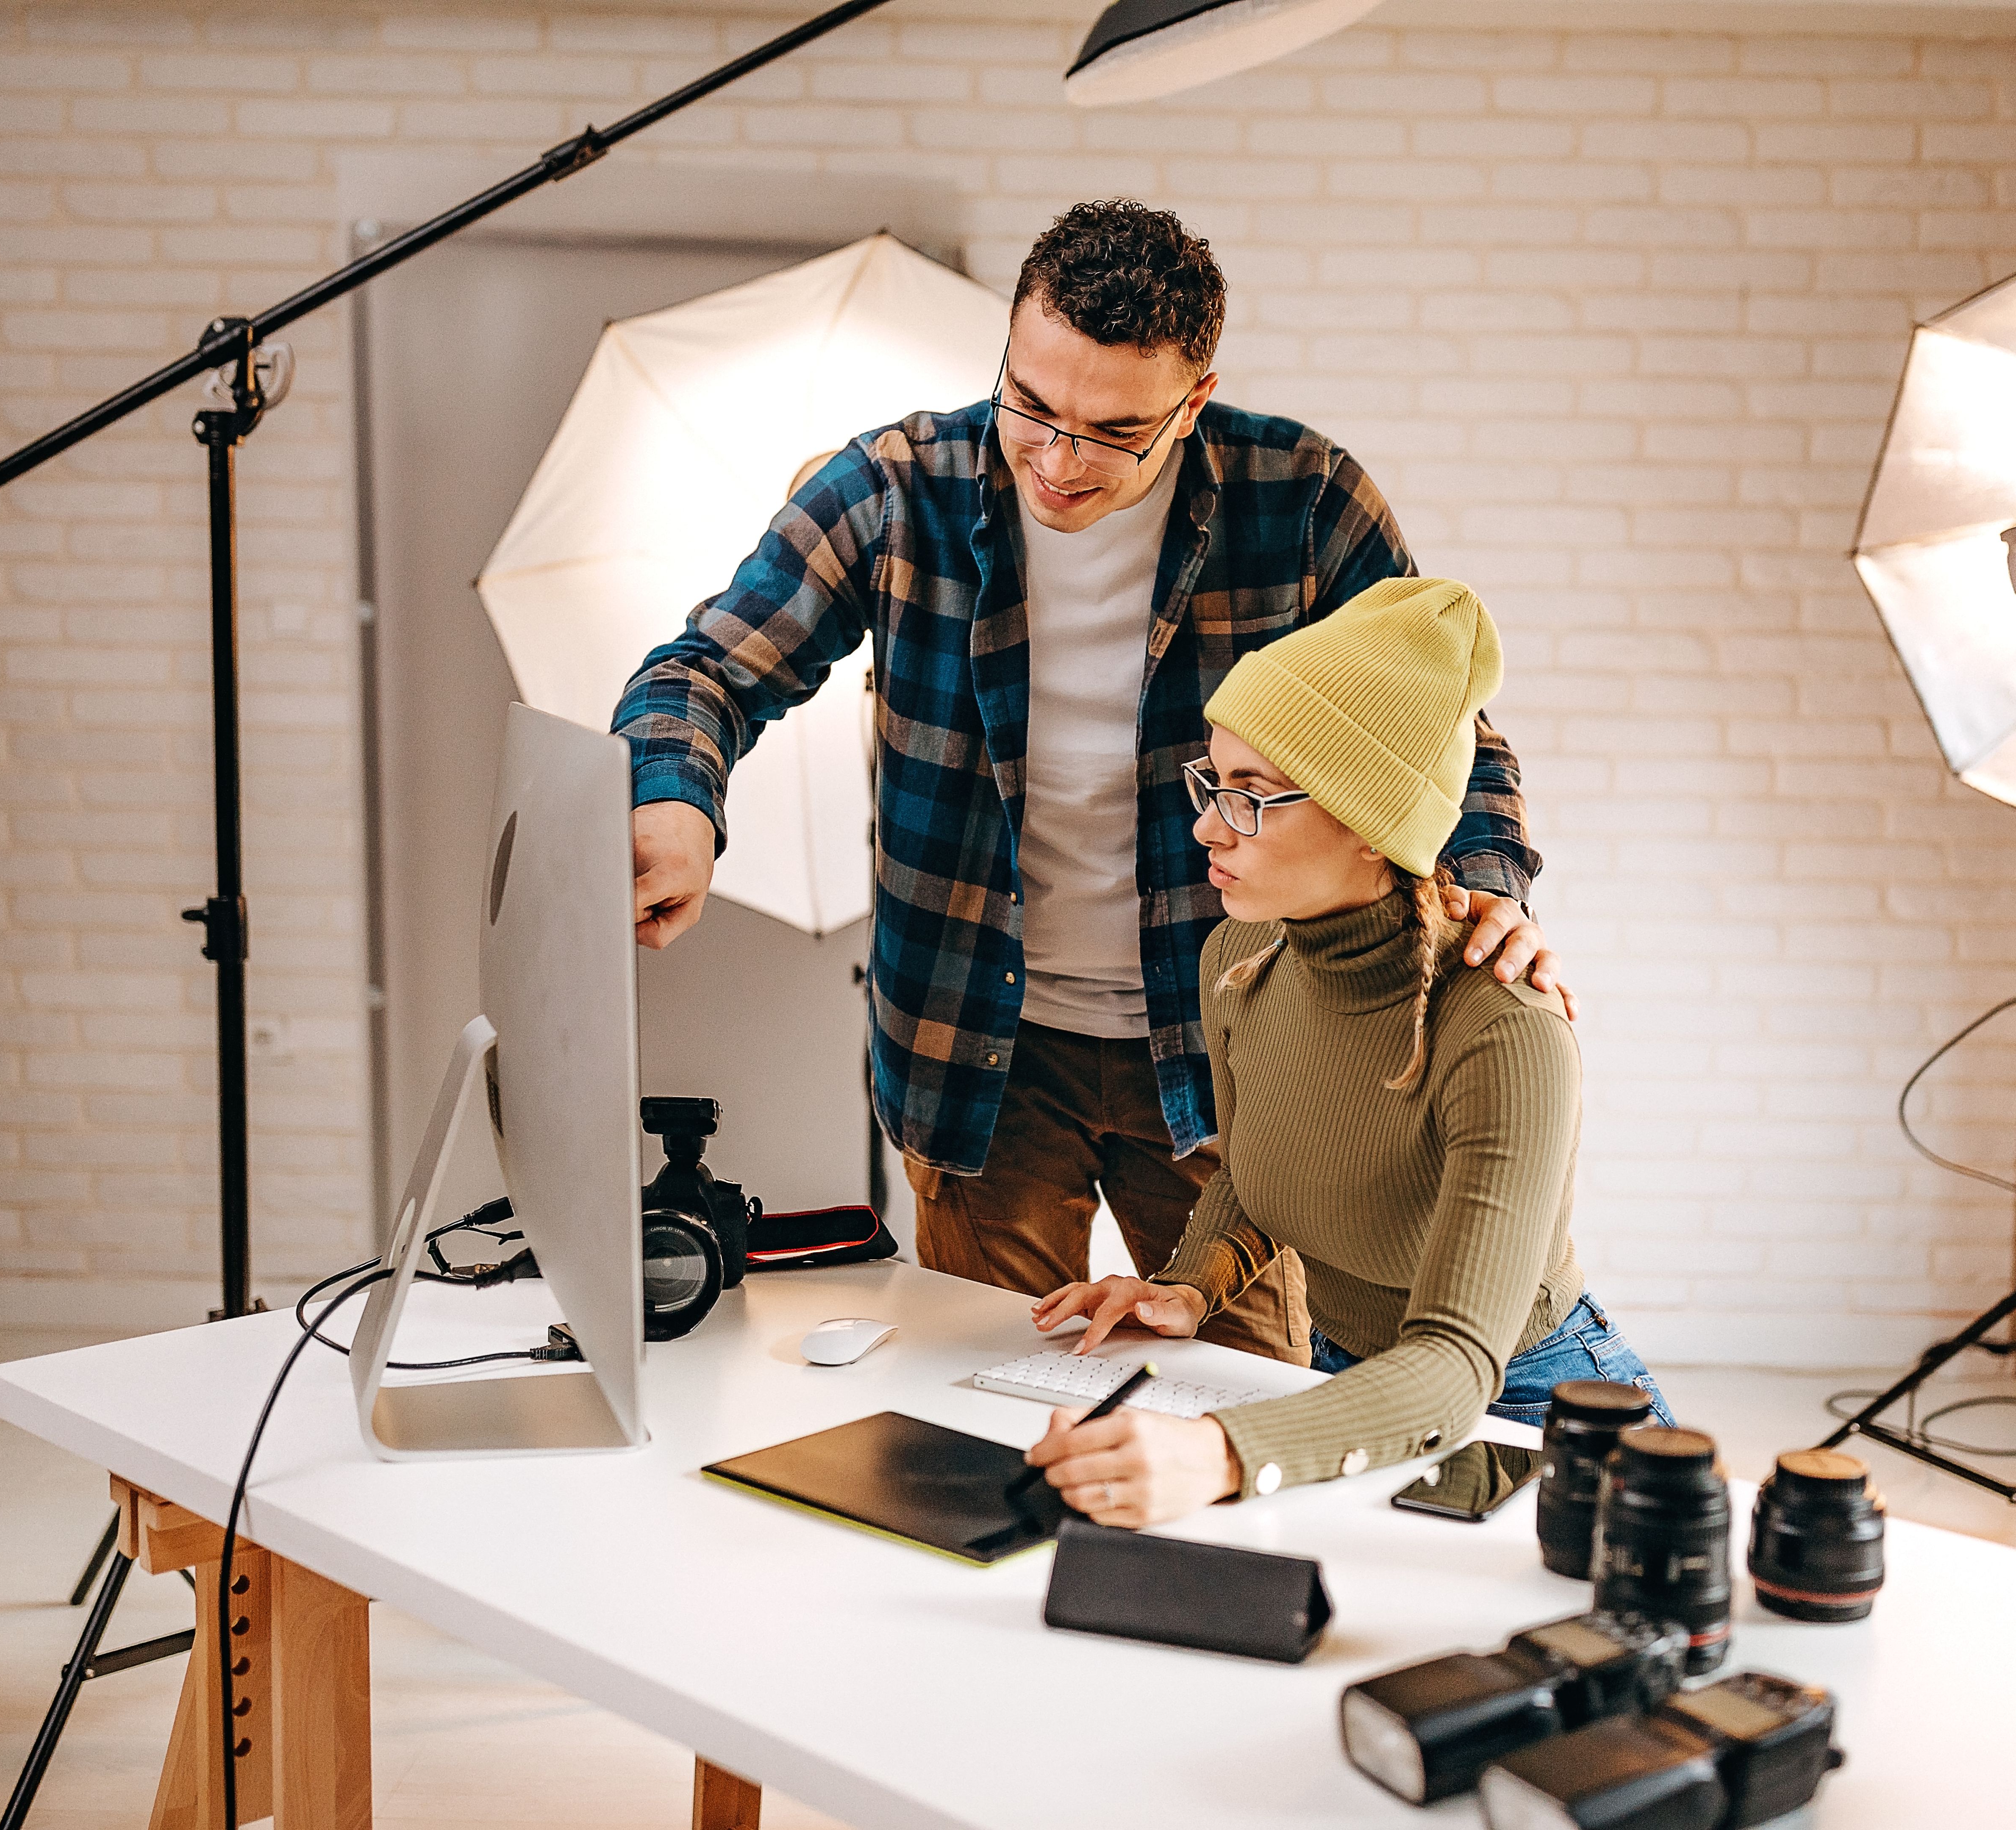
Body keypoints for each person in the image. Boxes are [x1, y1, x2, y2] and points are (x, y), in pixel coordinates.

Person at [614, 200, 1568, 1366]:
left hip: (1236, 1038)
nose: (1058, 462)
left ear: (1194, 398)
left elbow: (1451, 740)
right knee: (978, 1404)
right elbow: (706, 669)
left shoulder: (1306, 502)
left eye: (1112, 430)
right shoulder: (893, 489)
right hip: (980, 1053)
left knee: (1242, 1396)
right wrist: (676, 794)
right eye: (1032, 405)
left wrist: (1489, 893)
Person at [1022, 577, 1669, 1527]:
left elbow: (1455, 1365)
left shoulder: (1507, 1028)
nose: (1207, 826)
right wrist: (1186, 1287)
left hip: (1531, 1411)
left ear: (1375, 830)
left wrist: (1220, 1453)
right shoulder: (1240, 959)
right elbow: (1255, 1173)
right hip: (1345, 1386)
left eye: (1252, 797)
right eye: (1212, 782)